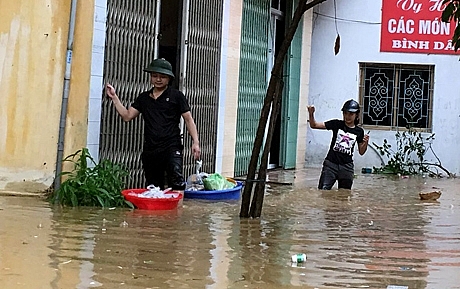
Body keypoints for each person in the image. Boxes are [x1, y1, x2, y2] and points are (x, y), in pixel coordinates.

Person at [105, 58, 201, 190]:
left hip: (171, 146)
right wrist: (114, 97)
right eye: (155, 76)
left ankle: (178, 209)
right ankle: (158, 210)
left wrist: (195, 142)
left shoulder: (176, 96)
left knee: (176, 178)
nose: (158, 79)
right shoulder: (144, 98)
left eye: (162, 76)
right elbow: (127, 116)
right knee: (154, 186)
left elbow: (188, 119)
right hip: (151, 148)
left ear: (169, 78)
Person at [307, 99, 369, 190]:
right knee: (323, 191)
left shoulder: (359, 131)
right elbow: (314, 125)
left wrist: (365, 142)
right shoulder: (336, 124)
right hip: (330, 165)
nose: (347, 116)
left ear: (356, 115)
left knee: (344, 195)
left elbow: (361, 152)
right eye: (345, 113)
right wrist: (311, 114)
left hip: (347, 167)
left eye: (351, 114)